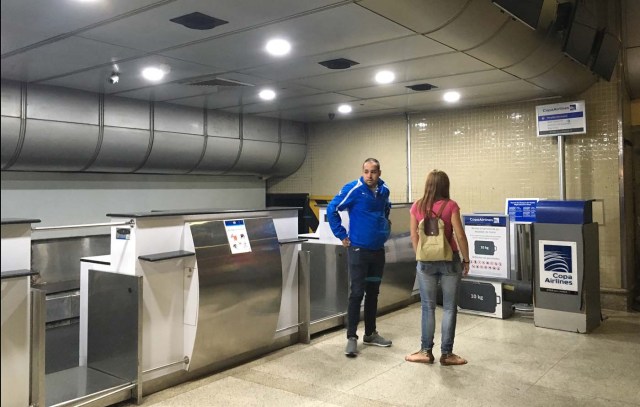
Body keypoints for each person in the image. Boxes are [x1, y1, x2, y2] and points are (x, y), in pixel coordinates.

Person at [326, 158, 392, 357]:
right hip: (358, 251)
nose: (369, 176)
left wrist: (384, 228)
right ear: (362, 172)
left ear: (379, 172)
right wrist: (342, 235)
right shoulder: (353, 189)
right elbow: (332, 209)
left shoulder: (384, 190)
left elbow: (385, 209)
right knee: (357, 293)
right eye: (366, 171)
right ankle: (351, 337)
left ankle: (370, 333)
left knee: (373, 292)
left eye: (373, 172)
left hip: (377, 251)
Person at [405, 169, 470, 366]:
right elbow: (459, 235)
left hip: (425, 263)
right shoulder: (451, 206)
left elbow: (414, 236)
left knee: (427, 307)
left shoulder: (417, 206)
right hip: (450, 261)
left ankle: (425, 351)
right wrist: (465, 260)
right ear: (445, 186)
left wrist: (421, 256)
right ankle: (447, 354)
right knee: (449, 308)